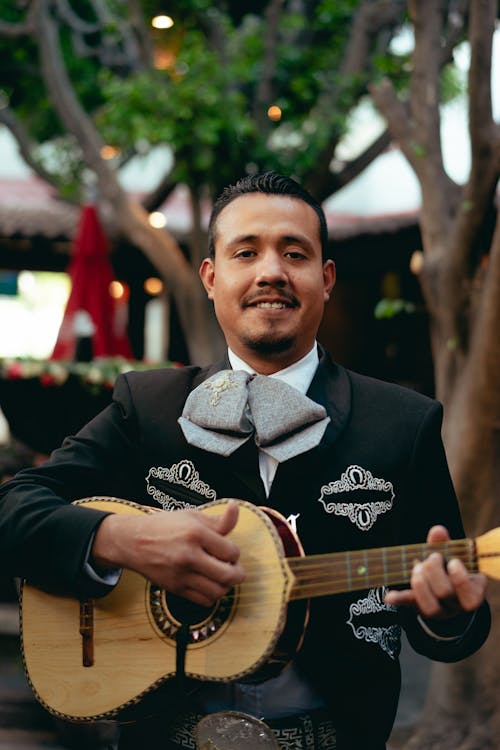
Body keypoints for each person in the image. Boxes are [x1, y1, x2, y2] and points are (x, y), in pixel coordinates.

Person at [0, 172, 490, 750]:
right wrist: (119, 541)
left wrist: (450, 613)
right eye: (245, 252)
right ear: (211, 278)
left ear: (326, 279)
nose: (271, 272)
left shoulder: (406, 423)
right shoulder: (148, 407)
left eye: (295, 252)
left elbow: (449, 618)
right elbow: (13, 509)